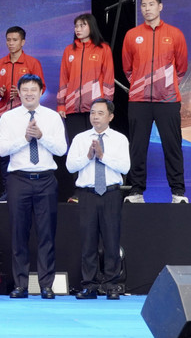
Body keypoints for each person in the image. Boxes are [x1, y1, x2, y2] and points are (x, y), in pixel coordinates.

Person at [0, 74, 67, 299]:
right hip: (18, 180)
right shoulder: (8, 118)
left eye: (33, 89)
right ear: (19, 92)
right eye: (24, 89)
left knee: (46, 234)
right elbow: (1, 149)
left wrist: (41, 137)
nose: (29, 93)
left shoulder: (53, 117)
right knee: (19, 233)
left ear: (40, 92)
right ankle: (20, 285)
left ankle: (46, 285)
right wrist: (25, 139)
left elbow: (61, 150)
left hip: (46, 179)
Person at [121, 0, 189, 203]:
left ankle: (178, 193)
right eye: (143, 5)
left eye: (151, 4)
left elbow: (181, 68)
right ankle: (136, 191)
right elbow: (127, 68)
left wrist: (164, 86)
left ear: (160, 6)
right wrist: (142, 85)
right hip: (139, 100)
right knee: (138, 146)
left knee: (173, 146)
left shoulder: (174, 34)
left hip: (167, 100)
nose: (147, 8)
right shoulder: (132, 35)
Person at [66, 99, 129, 301]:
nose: (95, 116)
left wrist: (102, 156)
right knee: (88, 242)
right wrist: (88, 156)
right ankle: (89, 285)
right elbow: (70, 167)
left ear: (110, 116)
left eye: (100, 113)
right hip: (87, 195)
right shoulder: (80, 138)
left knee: (111, 241)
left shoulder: (119, 139)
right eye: (93, 112)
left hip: (110, 193)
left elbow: (125, 167)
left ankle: (112, 285)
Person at [57, 13, 114, 203]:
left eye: (82, 25)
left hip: (95, 109)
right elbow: (64, 79)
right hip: (73, 108)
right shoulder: (69, 51)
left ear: (91, 27)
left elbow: (108, 77)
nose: (78, 29)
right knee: (77, 149)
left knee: (97, 145)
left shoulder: (103, 49)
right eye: (76, 26)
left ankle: (98, 187)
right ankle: (78, 191)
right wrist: (61, 103)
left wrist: (106, 106)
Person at [0, 26, 45, 202]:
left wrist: (21, 94)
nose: (11, 43)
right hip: (4, 115)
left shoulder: (32, 63)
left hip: (26, 115)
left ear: (23, 42)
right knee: (5, 153)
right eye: (8, 40)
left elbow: (41, 88)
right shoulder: (0, 64)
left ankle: (28, 190)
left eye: (14, 40)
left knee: (26, 150)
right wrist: (1, 91)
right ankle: (8, 191)